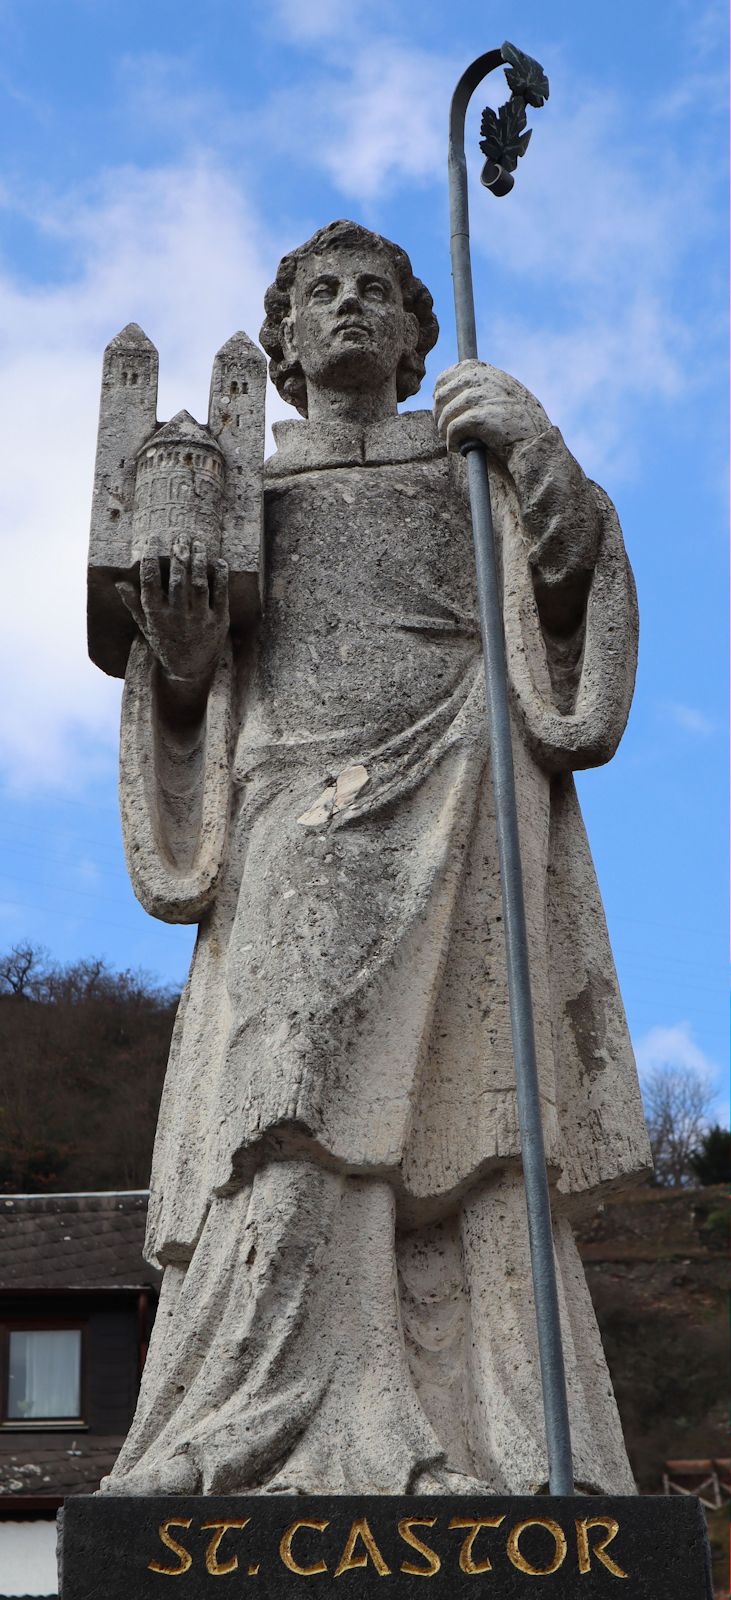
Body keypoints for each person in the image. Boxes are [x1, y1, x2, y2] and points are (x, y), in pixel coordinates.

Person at [103, 220, 650, 1497]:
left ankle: (512, 1442)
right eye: (319, 295)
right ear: (283, 345)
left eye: (375, 295)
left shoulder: (475, 467)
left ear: (415, 334)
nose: (348, 308)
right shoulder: (243, 484)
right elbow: (190, 680)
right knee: (282, 1094)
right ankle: (261, 1415)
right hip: (293, 806)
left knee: (481, 1124)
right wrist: (178, 650)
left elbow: (568, 599)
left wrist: (539, 454)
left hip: (467, 791)